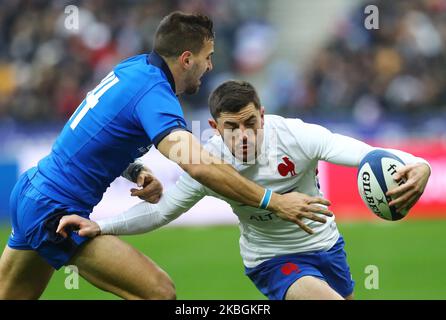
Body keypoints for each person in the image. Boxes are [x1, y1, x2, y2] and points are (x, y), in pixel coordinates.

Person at [0, 13, 332, 300]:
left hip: (34, 191)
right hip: (54, 210)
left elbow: (92, 133)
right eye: (208, 56)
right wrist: (273, 201)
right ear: (187, 59)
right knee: (158, 292)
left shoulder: (133, 69)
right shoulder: (155, 95)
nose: (210, 65)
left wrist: (134, 171)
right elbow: (200, 166)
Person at [58, 80, 431, 300]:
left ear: (263, 115)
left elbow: (366, 154)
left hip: (326, 248)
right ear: (215, 128)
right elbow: (162, 210)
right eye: (232, 127)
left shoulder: (297, 136)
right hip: (271, 261)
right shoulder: (208, 162)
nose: (244, 135)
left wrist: (421, 165)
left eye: (251, 122)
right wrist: (102, 226)